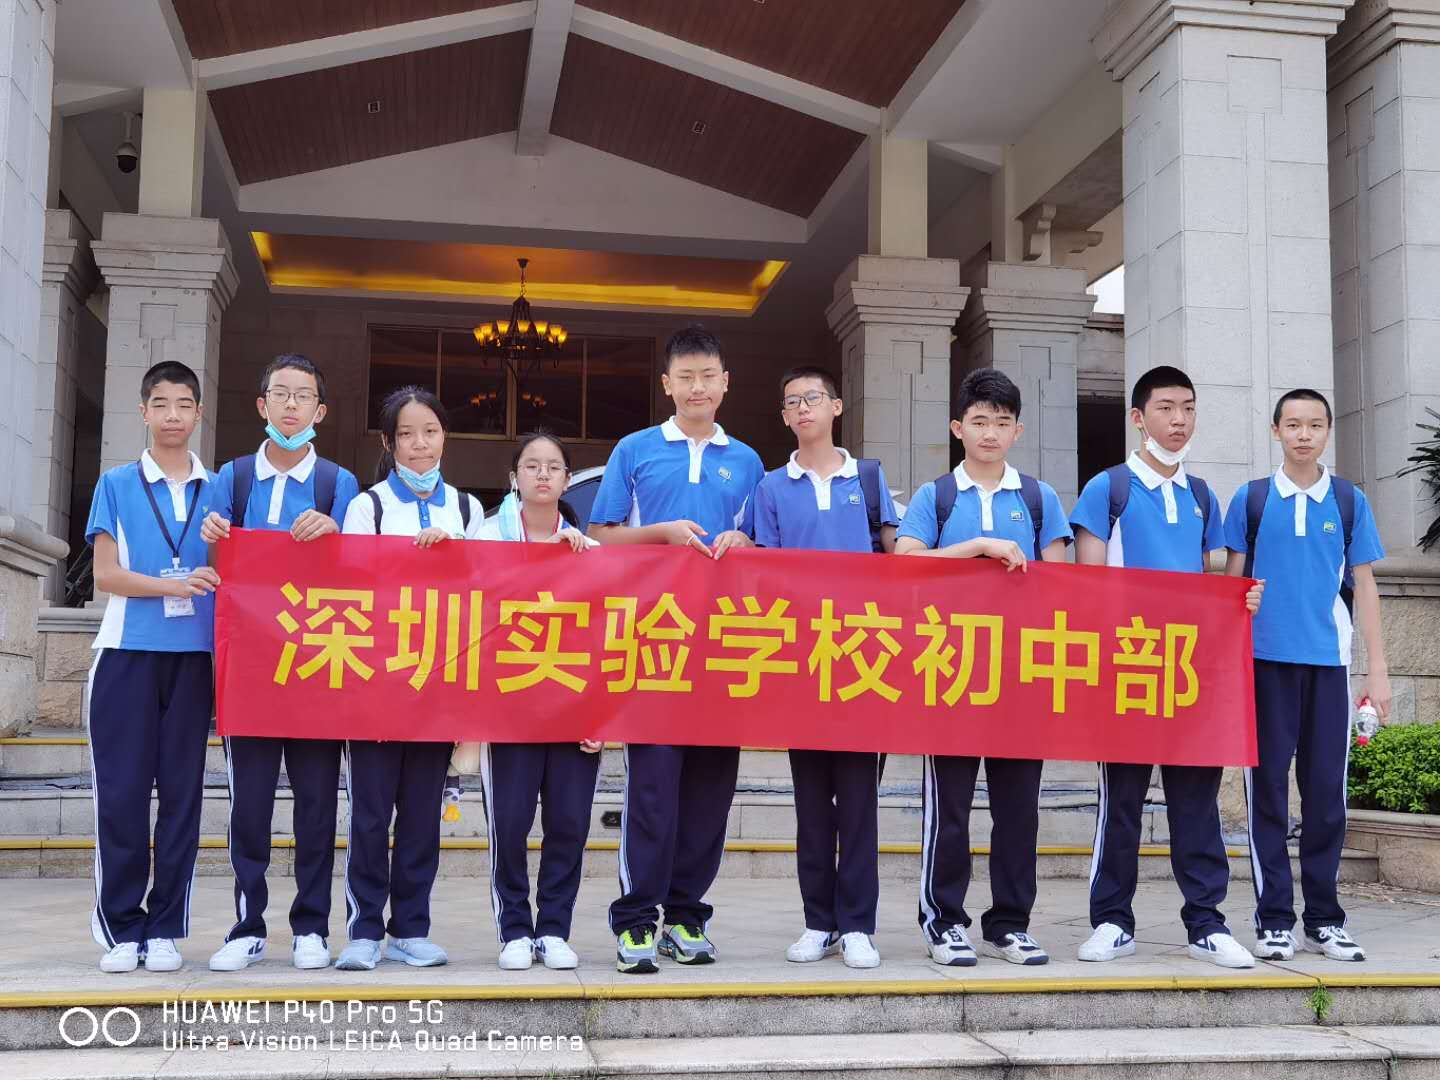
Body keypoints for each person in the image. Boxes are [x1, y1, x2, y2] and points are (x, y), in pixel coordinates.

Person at [1070, 365, 1263, 970]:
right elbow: (1086, 585)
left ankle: (1206, 923)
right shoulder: (1108, 489)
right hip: (1126, 669)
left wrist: (1240, 600)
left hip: (1188, 674)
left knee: (1197, 802)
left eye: (1188, 408)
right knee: (1121, 802)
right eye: (1165, 408)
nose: (1179, 420)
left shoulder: (1203, 495)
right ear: (1138, 417)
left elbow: (1211, 582)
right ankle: (1111, 921)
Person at [588, 325, 765, 974]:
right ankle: (637, 921)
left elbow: (761, 547)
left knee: (710, 795)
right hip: (653, 643)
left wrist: (745, 544)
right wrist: (660, 532)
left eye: (707, 376)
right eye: (685, 377)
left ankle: (687, 917)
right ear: (667, 384)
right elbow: (600, 535)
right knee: (653, 792)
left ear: (725, 383)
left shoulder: (748, 461)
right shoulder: (635, 450)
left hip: (724, 647)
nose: (697, 388)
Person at [894, 368, 1072, 967]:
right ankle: (944, 921)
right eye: (979, 421)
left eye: (1001, 422)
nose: (990, 432)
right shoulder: (936, 496)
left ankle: (1010, 923)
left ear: (1017, 430)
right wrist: (976, 547)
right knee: (948, 809)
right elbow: (906, 563)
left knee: (1018, 810)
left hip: (1020, 676)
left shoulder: (1039, 498)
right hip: (950, 670)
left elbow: (1060, 583)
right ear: (957, 428)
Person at [200, 353, 360, 972]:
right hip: (250, 670)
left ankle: (311, 926)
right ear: (262, 404)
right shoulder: (234, 479)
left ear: (320, 411)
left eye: (304, 396)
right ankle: (247, 926)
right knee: (250, 805)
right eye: (281, 394)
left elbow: (361, 575)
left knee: (317, 804)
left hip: (319, 666)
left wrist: (337, 535)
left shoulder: (337, 484)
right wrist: (212, 539)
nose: (291, 405)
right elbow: (211, 569)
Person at [1224, 389, 1388, 962]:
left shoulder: (1347, 500)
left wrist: (1378, 669)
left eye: (1314, 425)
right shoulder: (1252, 499)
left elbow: (1364, 585)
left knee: (1325, 799)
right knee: (1267, 794)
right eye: (1293, 424)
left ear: (1327, 432)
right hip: (1264, 664)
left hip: (1328, 664)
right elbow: (1232, 585)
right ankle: (1274, 921)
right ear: (1276, 431)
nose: (1303, 434)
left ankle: (1324, 919)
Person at [334, 386, 483, 971]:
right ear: (388, 442)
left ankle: (411, 927)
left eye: (430, 432)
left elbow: (487, 589)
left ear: (445, 437)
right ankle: (364, 928)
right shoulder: (366, 507)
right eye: (406, 434)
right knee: (371, 813)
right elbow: (351, 584)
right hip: (376, 681)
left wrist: (454, 553)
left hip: (438, 683)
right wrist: (414, 560)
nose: (420, 445)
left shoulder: (468, 510)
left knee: (422, 813)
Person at [753, 365, 896, 970]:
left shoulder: (869, 478)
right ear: (784, 416)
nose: (803, 408)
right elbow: (764, 569)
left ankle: (858, 924)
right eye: (792, 402)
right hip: (802, 662)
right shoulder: (770, 487)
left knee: (858, 800)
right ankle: (819, 921)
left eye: (813, 398)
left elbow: (897, 560)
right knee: (811, 802)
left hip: (864, 659)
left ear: (836, 406)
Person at [84, 361, 219, 973]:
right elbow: (106, 575)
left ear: (198, 414)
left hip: (193, 660)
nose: (172, 415)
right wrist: (176, 584)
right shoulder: (116, 483)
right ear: (143, 412)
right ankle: (121, 927)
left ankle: (165, 927)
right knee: (122, 794)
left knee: (183, 797)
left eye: (183, 404)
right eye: (160, 404)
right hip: (126, 655)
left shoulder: (217, 489)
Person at [471, 431, 603, 971]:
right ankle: (514, 930)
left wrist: (602, 714)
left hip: (572, 711)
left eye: (553, 466)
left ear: (568, 480)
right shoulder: (485, 538)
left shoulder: (590, 551)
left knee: (569, 824)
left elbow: (607, 642)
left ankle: (553, 928)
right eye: (532, 465)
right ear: (514, 477)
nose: (543, 474)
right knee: (510, 822)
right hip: (509, 709)